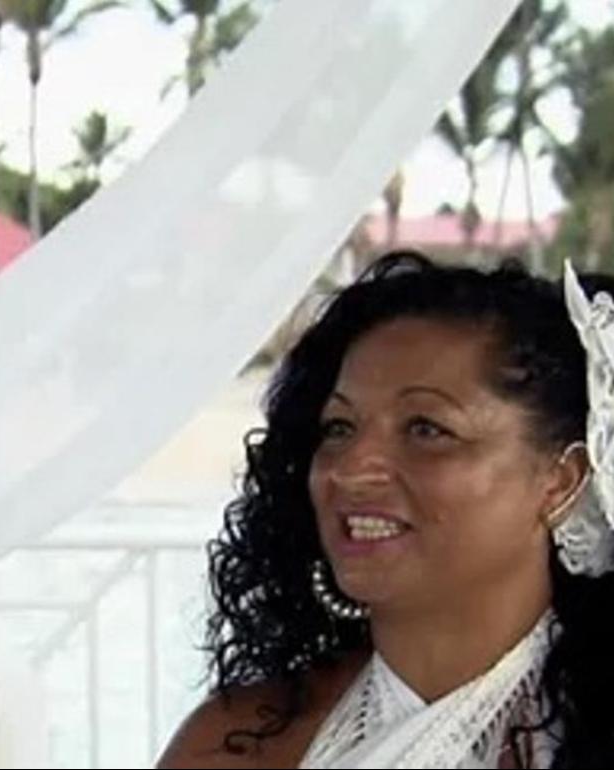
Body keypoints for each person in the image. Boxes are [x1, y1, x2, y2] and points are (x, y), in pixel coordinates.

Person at [158, 252, 614, 768]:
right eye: (338, 428)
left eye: (426, 429)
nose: (349, 471)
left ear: (561, 480)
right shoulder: (232, 744)